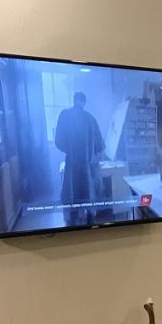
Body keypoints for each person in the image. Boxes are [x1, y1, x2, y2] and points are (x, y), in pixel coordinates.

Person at [54, 92, 104, 226]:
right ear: (84, 102)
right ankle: (90, 222)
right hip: (87, 167)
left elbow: (58, 141)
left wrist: (70, 151)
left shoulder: (65, 115)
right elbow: (100, 145)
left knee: (72, 195)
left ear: (74, 100)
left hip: (71, 165)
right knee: (89, 195)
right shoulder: (91, 119)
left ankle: (72, 224)